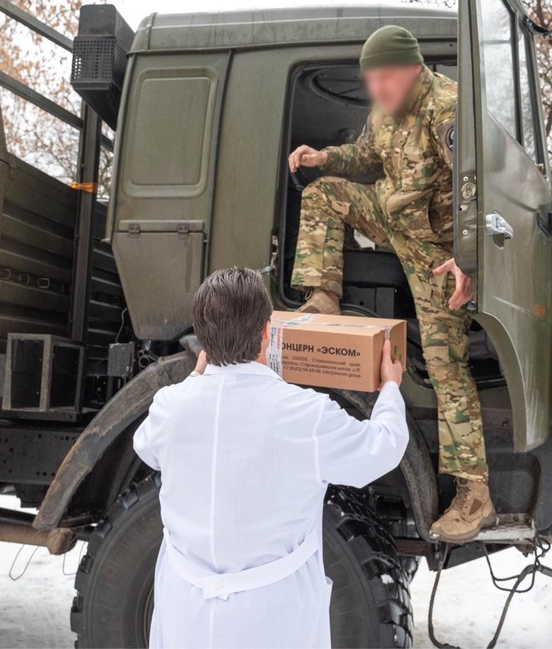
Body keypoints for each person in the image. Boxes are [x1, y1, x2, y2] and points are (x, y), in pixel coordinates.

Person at [287, 25, 495, 543]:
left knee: (448, 367)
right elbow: (367, 159)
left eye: (384, 78)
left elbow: (482, 189)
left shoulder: (448, 110)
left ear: (412, 69)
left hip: (438, 253)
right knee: (324, 194)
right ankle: (323, 298)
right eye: (371, 80)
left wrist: (470, 260)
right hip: (392, 218)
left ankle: (474, 494)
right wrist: (323, 159)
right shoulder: (383, 110)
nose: (376, 89)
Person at [134, 267, 408, 649]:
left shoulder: (170, 407)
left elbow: (147, 447)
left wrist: (193, 382)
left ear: (201, 338)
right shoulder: (306, 414)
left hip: (185, 618)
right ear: (266, 333)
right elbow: (383, 448)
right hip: (274, 622)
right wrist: (391, 387)